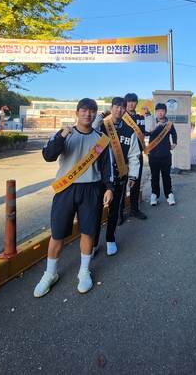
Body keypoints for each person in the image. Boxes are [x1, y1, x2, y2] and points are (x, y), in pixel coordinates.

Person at [34, 98, 114, 297]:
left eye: (92, 111)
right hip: (66, 189)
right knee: (58, 233)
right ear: (77, 113)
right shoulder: (65, 134)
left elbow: (107, 166)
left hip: (91, 190)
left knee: (88, 232)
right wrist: (61, 136)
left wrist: (109, 187)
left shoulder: (101, 138)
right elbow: (48, 155)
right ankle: (50, 273)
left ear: (96, 114)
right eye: (84, 110)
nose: (88, 114)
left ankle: (84, 271)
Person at [92, 97, 140, 256]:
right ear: (111, 108)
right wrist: (103, 114)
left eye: (122, 107)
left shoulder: (129, 131)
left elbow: (134, 155)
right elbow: (91, 126)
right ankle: (93, 243)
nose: (119, 110)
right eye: (116, 107)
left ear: (125, 110)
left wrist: (133, 176)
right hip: (99, 176)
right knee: (96, 211)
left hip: (120, 176)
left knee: (114, 211)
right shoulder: (102, 127)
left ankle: (110, 239)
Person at [122, 93, 149, 221]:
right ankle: (119, 212)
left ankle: (134, 209)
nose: (130, 104)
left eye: (133, 101)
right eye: (128, 101)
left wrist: (148, 114)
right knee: (121, 183)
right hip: (120, 155)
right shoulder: (119, 117)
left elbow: (150, 129)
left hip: (136, 154)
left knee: (135, 182)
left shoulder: (141, 118)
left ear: (136, 103)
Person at [145, 103, 178, 206]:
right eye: (158, 110)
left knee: (166, 176)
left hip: (166, 155)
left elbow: (174, 134)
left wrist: (174, 143)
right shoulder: (152, 123)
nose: (160, 112)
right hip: (153, 155)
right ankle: (154, 195)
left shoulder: (169, 124)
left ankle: (169, 195)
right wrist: (155, 127)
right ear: (156, 112)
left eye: (162, 110)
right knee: (154, 177)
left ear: (165, 112)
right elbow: (146, 133)